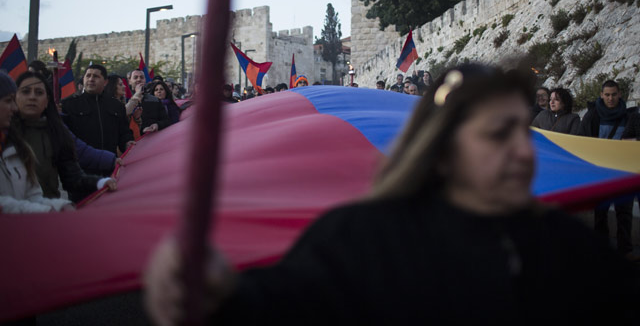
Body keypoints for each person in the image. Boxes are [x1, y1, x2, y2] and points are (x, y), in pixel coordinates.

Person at [144, 63, 639, 325]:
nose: (523, 152)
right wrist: (212, 293)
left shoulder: (566, 246)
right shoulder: (359, 238)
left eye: (522, 132)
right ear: (443, 150)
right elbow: (279, 305)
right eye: (497, 134)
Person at [14, 71, 116, 203]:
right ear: (14, 96)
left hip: (46, 212)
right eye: (26, 91)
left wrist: (101, 182)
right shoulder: (5, 133)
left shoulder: (57, 132)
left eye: (39, 92)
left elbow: (72, 177)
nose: (32, 97)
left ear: (47, 101)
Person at [0, 72, 73, 213]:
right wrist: (45, 210)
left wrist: (60, 206)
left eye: (39, 93)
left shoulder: (19, 148)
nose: (14, 108)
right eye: (8, 101)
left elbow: (32, 196)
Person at [579, 79, 636, 259]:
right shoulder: (592, 116)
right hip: (599, 172)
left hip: (622, 171)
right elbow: (582, 141)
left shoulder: (629, 116)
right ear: (601, 95)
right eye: (607, 95)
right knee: (600, 213)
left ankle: (624, 250)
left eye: (613, 94)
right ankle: (602, 251)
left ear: (620, 95)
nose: (610, 98)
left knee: (624, 213)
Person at [62, 64, 134, 155]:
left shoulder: (116, 106)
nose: (91, 79)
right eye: (88, 76)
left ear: (105, 82)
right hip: (80, 163)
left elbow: (124, 132)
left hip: (109, 162)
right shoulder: (69, 104)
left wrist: (127, 143)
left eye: (96, 76)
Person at [128, 69, 170, 134]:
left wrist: (157, 125)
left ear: (145, 80)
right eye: (135, 77)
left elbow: (166, 120)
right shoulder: (124, 99)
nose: (139, 80)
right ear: (129, 81)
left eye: (141, 77)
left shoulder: (155, 100)